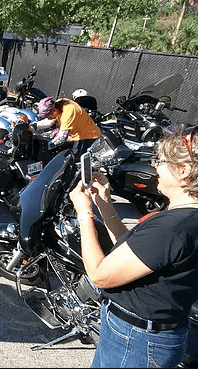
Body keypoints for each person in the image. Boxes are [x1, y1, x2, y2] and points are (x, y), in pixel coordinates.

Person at [69, 126, 198, 368]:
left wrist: (84, 212)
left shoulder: (173, 228)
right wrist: (104, 204)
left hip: (137, 340)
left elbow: (99, 275)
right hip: (146, 335)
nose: (155, 167)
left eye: (159, 160)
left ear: (184, 170)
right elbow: (133, 251)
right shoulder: (185, 219)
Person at [36, 95, 102, 160]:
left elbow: (61, 139)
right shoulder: (59, 103)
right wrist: (35, 125)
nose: (49, 118)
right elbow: (50, 121)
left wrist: (45, 147)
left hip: (88, 137)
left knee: (78, 161)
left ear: (54, 111)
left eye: (48, 117)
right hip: (76, 133)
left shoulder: (68, 113)